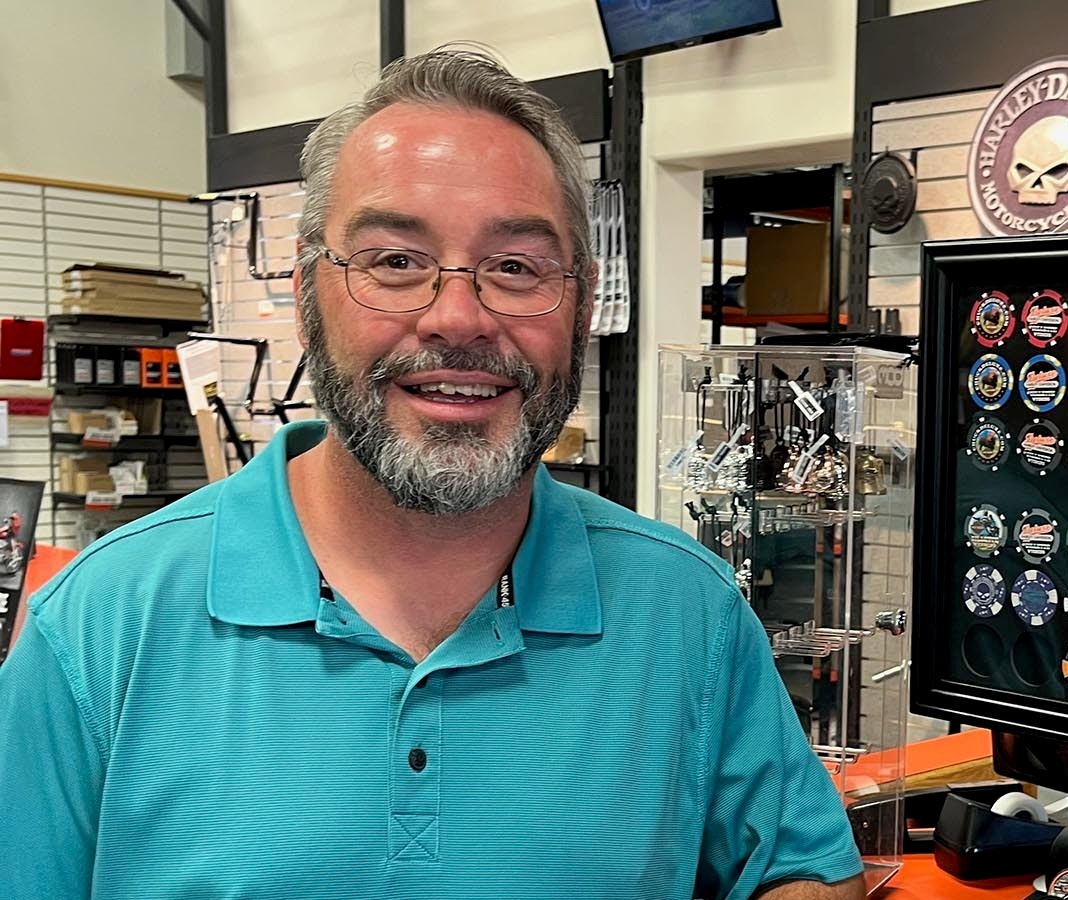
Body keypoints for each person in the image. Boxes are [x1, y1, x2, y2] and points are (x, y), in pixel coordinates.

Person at [0, 49, 865, 900]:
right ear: (308, 295)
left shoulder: (687, 615)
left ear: (580, 302)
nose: (459, 317)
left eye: (516, 268)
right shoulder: (101, 627)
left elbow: (802, 867)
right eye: (395, 262)